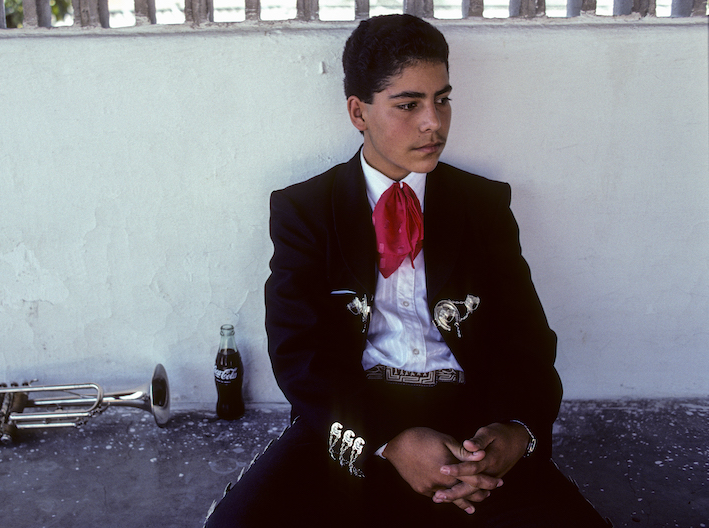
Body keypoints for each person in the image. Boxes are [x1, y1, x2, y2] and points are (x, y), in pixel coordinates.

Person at [205, 14, 608, 528]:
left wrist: (514, 433)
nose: (433, 123)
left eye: (442, 99)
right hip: (354, 413)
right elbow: (296, 352)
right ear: (358, 111)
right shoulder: (305, 209)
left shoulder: (482, 205)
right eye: (408, 104)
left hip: (472, 423)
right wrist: (388, 441)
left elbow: (527, 338)